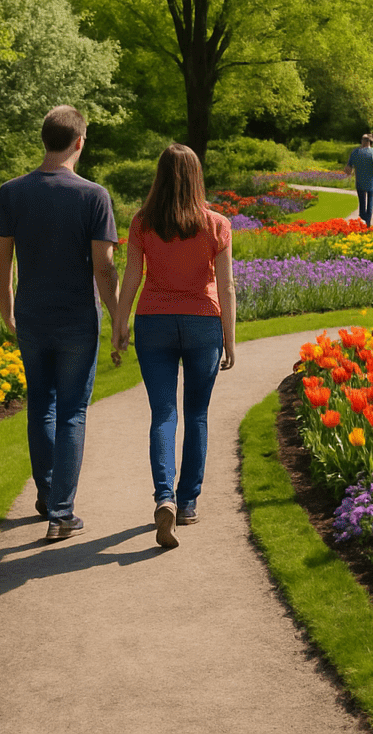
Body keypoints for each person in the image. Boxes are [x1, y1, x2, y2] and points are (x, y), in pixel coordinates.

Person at [0, 105, 120, 541]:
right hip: (77, 320)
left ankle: (48, 497)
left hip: (31, 315)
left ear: (44, 140)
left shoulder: (11, 192)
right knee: (71, 413)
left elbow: (0, 264)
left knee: (40, 407)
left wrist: (7, 310)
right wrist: (119, 316)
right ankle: (61, 513)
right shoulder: (93, 196)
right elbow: (104, 268)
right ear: (80, 142)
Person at [113, 145, 237, 549]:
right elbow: (227, 286)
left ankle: (163, 496)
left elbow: (132, 275)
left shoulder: (143, 222)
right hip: (203, 322)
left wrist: (119, 323)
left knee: (163, 414)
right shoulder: (217, 224)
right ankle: (187, 504)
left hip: (154, 322)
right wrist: (229, 338)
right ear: (196, 176)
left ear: (160, 176)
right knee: (197, 415)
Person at [346, 133, 373, 227]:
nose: (362, 141)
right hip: (370, 181)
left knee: (362, 202)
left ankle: (364, 219)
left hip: (360, 181)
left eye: (363, 139)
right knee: (369, 202)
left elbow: (348, 168)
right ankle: (368, 221)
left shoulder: (355, 152)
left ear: (366, 141)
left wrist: (348, 172)